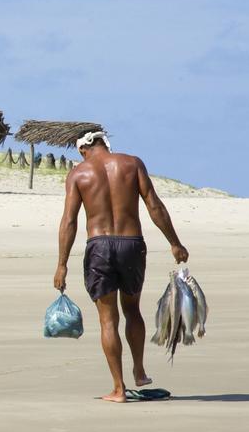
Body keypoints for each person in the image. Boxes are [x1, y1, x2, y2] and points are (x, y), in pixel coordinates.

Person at [53, 131, 189, 403]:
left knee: (108, 320)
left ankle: (119, 389)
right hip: (131, 244)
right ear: (104, 142)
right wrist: (175, 243)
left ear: (82, 150)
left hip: (99, 246)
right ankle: (139, 371)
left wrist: (62, 264)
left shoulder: (79, 174)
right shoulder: (132, 164)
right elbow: (154, 205)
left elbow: (69, 221)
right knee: (132, 310)